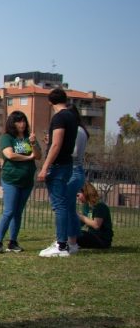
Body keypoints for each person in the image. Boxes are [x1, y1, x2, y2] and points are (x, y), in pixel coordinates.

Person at [36, 88, 79, 257]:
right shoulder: (72, 117)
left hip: (58, 165)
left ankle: (61, 245)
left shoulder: (59, 117)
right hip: (67, 163)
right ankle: (65, 242)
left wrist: (45, 166)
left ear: (49, 102)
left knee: (59, 205)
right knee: (63, 205)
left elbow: (56, 145)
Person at [0, 111, 41, 253]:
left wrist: (33, 144)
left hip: (26, 181)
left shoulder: (29, 138)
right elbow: (9, 155)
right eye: (18, 121)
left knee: (18, 212)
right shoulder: (7, 138)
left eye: (24, 121)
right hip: (11, 180)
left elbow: (38, 156)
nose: (22, 124)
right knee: (9, 211)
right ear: (12, 123)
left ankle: (13, 242)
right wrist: (28, 158)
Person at [64, 105, 88, 253]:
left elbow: (74, 152)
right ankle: (71, 240)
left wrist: (58, 147)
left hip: (73, 171)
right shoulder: (77, 130)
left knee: (67, 208)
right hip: (71, 171)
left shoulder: (78, 131)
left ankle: (70, 241)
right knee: (69, 208)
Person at [76, 182, 113, 249]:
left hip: (102, 240)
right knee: (71, 232)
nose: (77, 198)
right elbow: (81, 223)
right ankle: (63, 245)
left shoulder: (100, 206)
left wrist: (80, 216)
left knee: (78, 234)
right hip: (92, 237)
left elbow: (96, 225)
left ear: (85, 193)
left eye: (78, 195)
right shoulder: (86, 206)